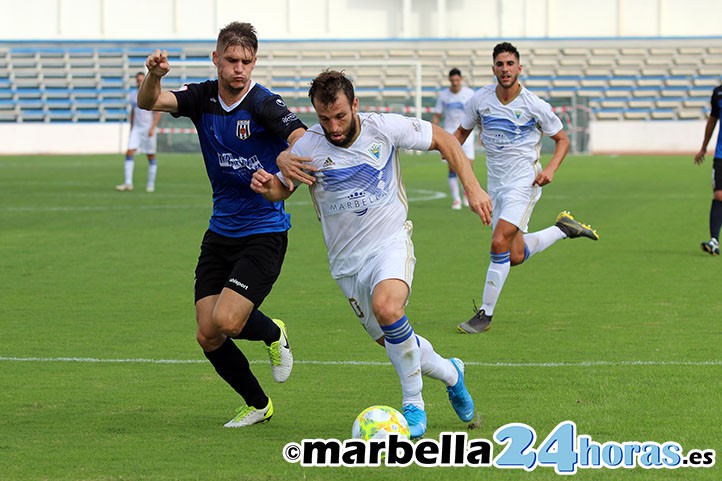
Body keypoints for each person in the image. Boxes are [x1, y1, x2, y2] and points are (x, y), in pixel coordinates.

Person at [251, 70, 493, 438]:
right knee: (395, 341)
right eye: (324, 118)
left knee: (389, 308)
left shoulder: (385, 129)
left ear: (355, 105)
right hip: (346, 264)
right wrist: (268, 186)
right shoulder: (307, 148)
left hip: (390, 243)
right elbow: (283, 191)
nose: (333, 126)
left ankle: (414, 405)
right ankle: (451, 373)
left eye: (341, 116)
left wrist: (473, 189)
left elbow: (446, 139)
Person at [136, 22, 307, 427]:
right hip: (220, 233)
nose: (239, 69)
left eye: (247, 61)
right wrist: (154, 76)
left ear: (254, 62)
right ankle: (258, 405)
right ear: (216, 59)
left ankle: (271, 332)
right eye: (231, 60)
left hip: (264, 233)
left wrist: (280, 181)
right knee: (207, 334)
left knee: (228, 321)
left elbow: (302, 143)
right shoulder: (201, 97)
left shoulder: (265, 104)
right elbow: (149, 102)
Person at [454, 42, 599, 335]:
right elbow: (458, 135)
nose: (505, 69)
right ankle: (562, 229)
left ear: (519, 68)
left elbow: (563, 140)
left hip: (524, 183)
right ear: (493, 68)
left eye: (510, 64)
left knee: (498, 244)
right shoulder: (480, 100)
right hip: (495, 186)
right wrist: (442, 148)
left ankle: (485, 314)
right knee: (514, 255)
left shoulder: (534, 105)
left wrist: (550, 170)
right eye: (500, 64)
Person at [432, 68, 476, 210]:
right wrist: (431, 130)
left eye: (457, 80)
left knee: (468, 166)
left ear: (461, 79)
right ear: (450, 80)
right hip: (450, 134)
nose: (455, 83)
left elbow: (476, 114)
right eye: (453, 81)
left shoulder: (469, 94)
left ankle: (466, 196)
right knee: (452, 167)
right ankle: (456, 199)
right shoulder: (444, 95)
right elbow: (437, 115)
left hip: (466, 133)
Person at [115, 72, 162, 193]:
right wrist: (131, 128)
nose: (139, 82)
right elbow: (133, 112)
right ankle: (128, 183)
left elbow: (157, 112)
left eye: (142, 80)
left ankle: (151, 184)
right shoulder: (132, 95)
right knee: (129, 152)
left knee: (150, 155)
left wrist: (152, 128)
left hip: (148, 129)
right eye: (138, 80)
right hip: (136, 128)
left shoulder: (151, 94)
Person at [693, 83, 722, 256]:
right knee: (719, 195)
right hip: (721, 154)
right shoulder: (718, 93)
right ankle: (714, 241)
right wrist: (703, 147)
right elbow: (713, 120)